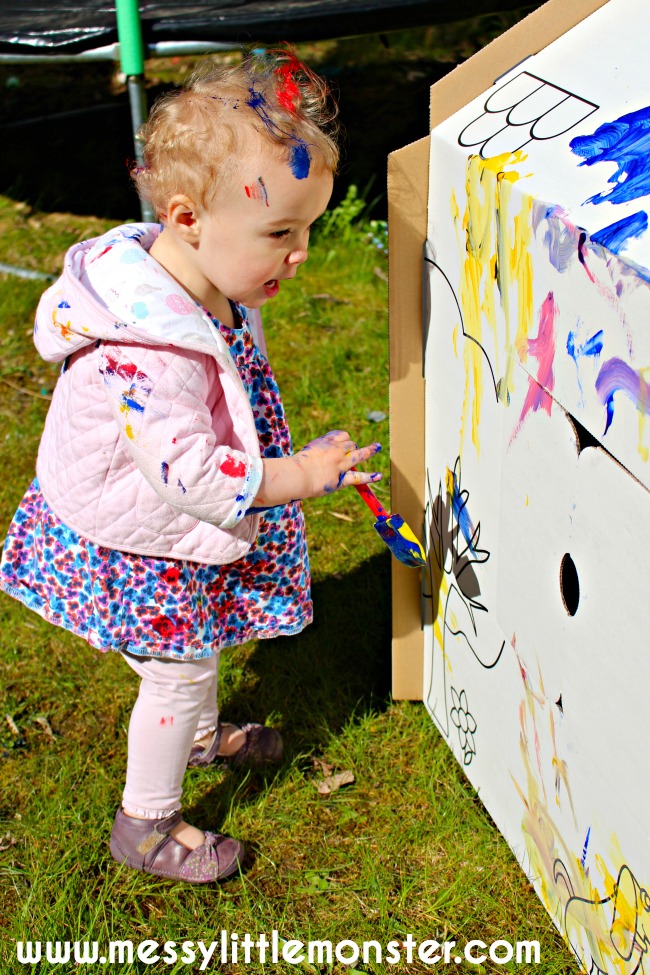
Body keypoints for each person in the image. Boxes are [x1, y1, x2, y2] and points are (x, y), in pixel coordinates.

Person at [0, 49, 382, 884]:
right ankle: (146, 822)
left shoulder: (203, 275)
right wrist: (299, 475)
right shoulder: (150, 348)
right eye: (280, 233)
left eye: (307, 228)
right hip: (135, 534)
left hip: (161, 523)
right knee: (177, 671)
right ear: (187, 217)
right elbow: (191, 476)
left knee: (195, 646)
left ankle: (204, 738)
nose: (302, 254)